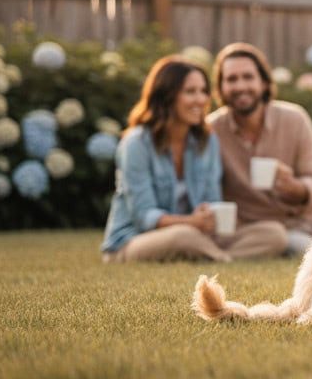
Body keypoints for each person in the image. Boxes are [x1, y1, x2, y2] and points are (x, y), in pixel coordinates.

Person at [99, 56, 237, 263]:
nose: (200, 100)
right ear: (166, 96)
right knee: (183, 235)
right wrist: (190, 222)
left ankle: (207, 252)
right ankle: (225, 260)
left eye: (203, 91)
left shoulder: (207, 140)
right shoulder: (136, 144)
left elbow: (212, 199)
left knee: (271, 233)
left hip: (195, 235)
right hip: (134, 241)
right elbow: (144, 216)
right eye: (190, 92)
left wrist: (207, 216)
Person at [207, 42, 312, 258]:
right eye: (231, 79)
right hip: (259, 227)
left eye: (248, 77)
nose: (240, 86)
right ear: (220, 88)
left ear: (264, 83)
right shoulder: (212, 130)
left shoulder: (294, 118)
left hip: (308, 214)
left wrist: (297, 188)